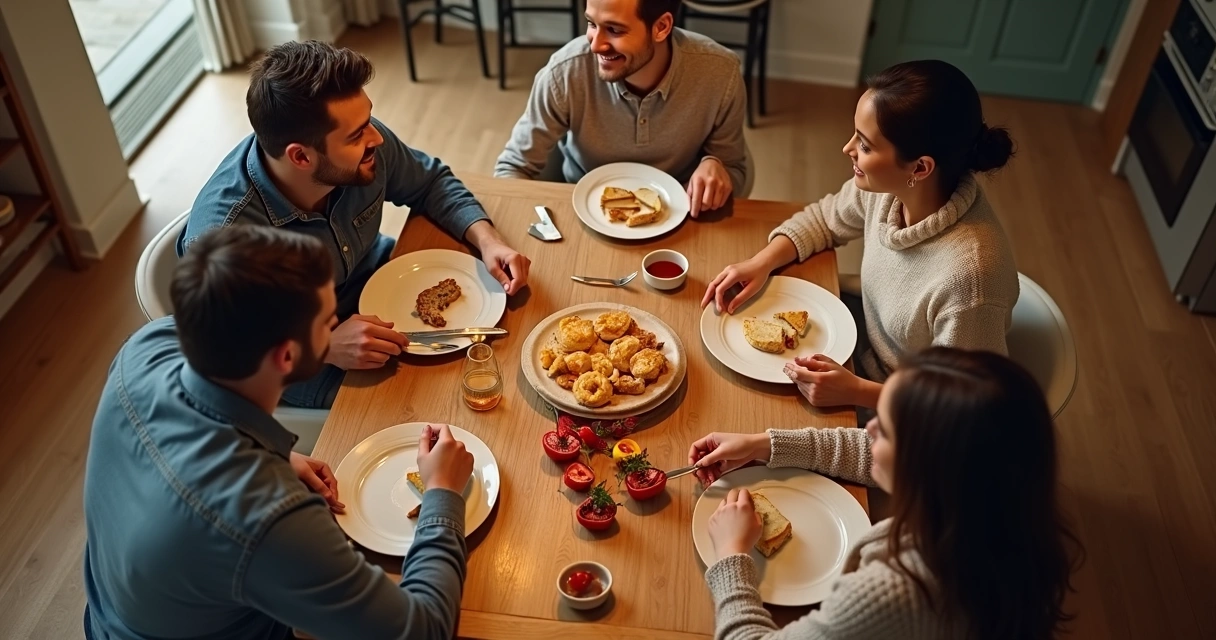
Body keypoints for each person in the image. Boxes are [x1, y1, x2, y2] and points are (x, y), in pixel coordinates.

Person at [84, 226, 475, 640]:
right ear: (287, 355)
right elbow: (425, 629)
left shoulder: (145, 347)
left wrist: (278, 457)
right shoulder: (267, 517)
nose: (340, 324)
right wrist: (442, 493)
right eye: (329, 322)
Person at [180, 40, 531, 409]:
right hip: (304, 359)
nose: (376, 137)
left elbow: (430, 182)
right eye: (356, 135)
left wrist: (489, 241)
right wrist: (323, 347)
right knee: (433, 403)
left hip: (378, 287)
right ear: (300, 156)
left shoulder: (360, 140)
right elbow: (221, 355)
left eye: (368, 121)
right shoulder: (224, 237)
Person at [688, 347, 1080, 639]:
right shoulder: (996, 512)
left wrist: (732, 555)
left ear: (927, 467)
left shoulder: (897, 592)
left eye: (886, 428)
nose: (868, 429)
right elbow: (864, 451)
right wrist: (764, 445)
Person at [702, 60, 1019, 409]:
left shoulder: (970, 280)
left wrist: (857, 392)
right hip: (860, 348)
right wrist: (761, 263)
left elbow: (961, 404)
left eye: (865, 146)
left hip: (902, 406)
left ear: (920, 167)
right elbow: (824, 220)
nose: (847, 149)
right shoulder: (890, 188)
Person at [494, 0, 750, 217]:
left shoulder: (720, 73)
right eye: (592, 24)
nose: (595, 46)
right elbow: (512, 169)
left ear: (661, 27)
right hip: (582, 213)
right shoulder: (563, 73)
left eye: (614, 30)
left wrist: (716, 166)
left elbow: (735, 170)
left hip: (681, 216)